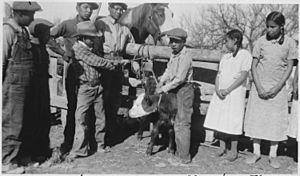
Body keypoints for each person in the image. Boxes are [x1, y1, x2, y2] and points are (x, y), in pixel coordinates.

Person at [65, 21, 128, 161]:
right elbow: (97, 61)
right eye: (90, 38)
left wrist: (115, 62)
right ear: (81, 37)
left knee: (101, 117)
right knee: (81, 118)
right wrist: (117, 64)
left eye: (94, 37)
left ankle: (99, 144)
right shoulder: (78, 49)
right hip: (85, 88)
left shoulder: (89, 48)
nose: (93, 40)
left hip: (97, 86)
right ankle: (79, 149)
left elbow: (100, 59)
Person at [244, 11, 297, 169]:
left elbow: (289, 67)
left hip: (278, 88)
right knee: (257, 118)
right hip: (259, 87)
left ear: (281, 27)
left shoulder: (289, 43)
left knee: (275, 121)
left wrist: (277, 87)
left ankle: (273, 155)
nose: (269, 30)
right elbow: (253, 65)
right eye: (267, 26)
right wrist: (259, 86)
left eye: (273, 27)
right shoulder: (261, 41)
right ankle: (256, 152)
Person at [48, 2, 100, 158]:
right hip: (74, 72)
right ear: (77, 8)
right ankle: (68, 142)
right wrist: (62, 52)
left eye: (91, 8)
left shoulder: (93, 25)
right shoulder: (68, 24)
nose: (88, 10)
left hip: (90, 73)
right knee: (72, 108)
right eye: (85, 6)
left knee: (88, 109)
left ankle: (88, 143)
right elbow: (49, 37)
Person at [2, 1, 42, 173]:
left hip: (26, 83)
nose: (32, 18)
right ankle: (7, 162)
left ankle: (21, 158)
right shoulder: (7, 31)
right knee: (13, 122)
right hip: (14, 85)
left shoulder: (23, 31)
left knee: (26, 120)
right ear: (18, 13)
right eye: (30, 15)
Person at [94, 2, 138, 150]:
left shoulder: (125, 29)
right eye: (116, 9)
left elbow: (133, 45)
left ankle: (111, 135)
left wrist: (134, 61)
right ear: (110, 8)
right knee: (102, 99)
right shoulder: (101, 23)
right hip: (105, 61)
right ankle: (99, 138)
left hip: (118, 63)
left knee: (115, 99)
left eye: (121, 10)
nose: (119, 12)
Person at [204, 29, 252, 162]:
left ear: (235, 40)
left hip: (235, 93)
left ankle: (234, 149)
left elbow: (243, 76)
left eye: (227, 41)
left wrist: (228, 89)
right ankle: (222, 146)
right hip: (221, 93)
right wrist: (218, 88)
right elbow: (219, 74)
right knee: (220, 118)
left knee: (233, 120)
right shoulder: (225, 57)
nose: (225, 43)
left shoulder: (245, 55)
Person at [156, 28, 194, 164]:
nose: (173, 44)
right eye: (171, 41)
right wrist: (161, 80)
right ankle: (178, 152)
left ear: (183, 42)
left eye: (176, 42)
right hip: (174, 89)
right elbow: (168, 70)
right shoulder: (174, 54)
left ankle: (184, 157)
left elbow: (179, 78)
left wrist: (163, 88)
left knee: (182, 123)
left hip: (184, 90)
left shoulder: (186, 56)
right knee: (176, 122)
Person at [27, 18, 54, 163]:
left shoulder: (42, 48)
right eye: (47, 33)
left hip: (43, 87)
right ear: (39, 34)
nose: (49, 36)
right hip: (35, 89)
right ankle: (35, 152)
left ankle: (42, 149)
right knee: (35, 119)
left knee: (44, 118)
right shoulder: (32, 49)